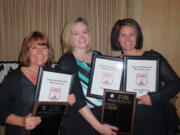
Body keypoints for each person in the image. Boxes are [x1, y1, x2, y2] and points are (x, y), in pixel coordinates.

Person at [111, 18, 180, 135]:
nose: (127, 39)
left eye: (131, 34)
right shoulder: (113, 64)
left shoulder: (152, 57)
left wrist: (154, 97)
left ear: (137, 37)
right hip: (124, 123)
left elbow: (175, 83)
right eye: (123, 35)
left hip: (152, 120)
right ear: (118, 39)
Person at [0, 31, 75, 135]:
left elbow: (59, 113)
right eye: (34, 47)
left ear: (49, 51)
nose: (40, 52)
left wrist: (66, 101)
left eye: (44, 47)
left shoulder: (56, 76)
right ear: (27, 51)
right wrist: (22, 121)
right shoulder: (14, 78)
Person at [56, 17, 119, 135]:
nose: (82, 37)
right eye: (76, 33)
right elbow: (78, 99)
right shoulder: (67, 60)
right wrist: (99, 127)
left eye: (85, 32)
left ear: (89, 34)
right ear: (69, 37)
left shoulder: (98, 55)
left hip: (102, 116)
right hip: (79, 121)